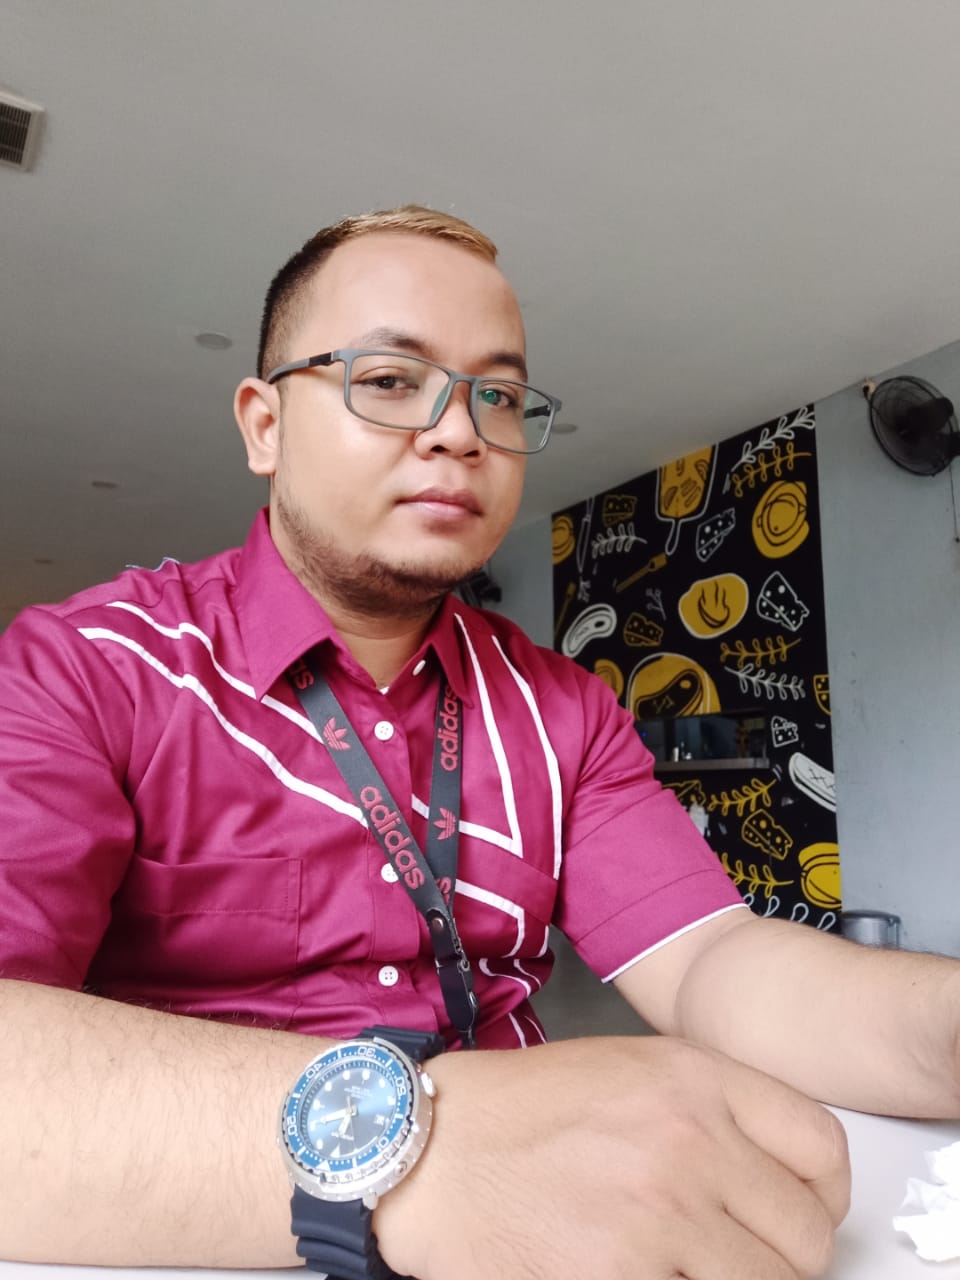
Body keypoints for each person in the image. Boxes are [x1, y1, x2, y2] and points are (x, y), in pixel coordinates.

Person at [0, 204, 958, 1280]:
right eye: (389, 379)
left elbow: (711, 962)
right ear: (264, 425)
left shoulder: (563, 708)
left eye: (497, 396)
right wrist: (421, 1150)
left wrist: (946, 1024)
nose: (459, 431)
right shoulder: (86, 667)